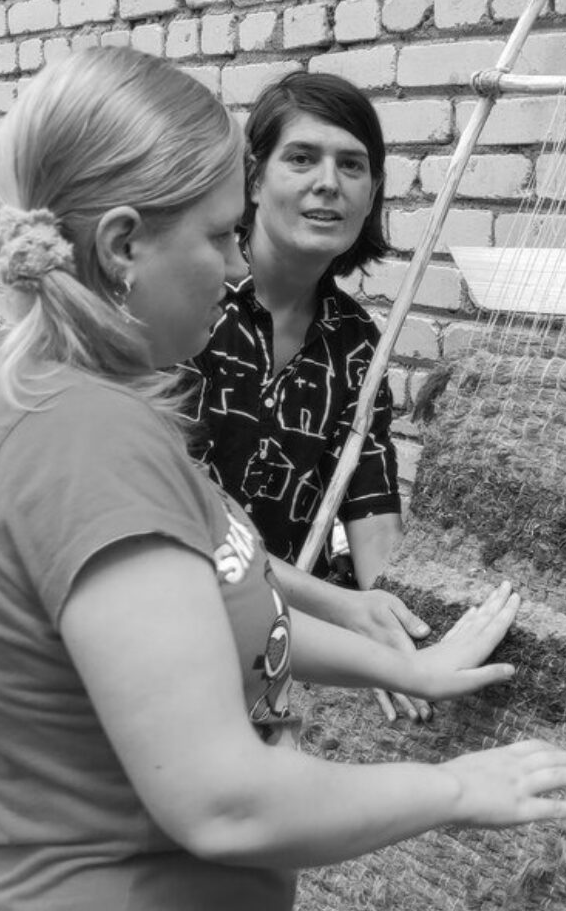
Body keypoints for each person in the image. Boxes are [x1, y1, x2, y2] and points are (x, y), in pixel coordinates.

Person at [0, 47, 566, 911]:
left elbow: (221, 596)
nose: (234, 266)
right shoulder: (89, 441)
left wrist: (399, 659)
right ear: (121, 245)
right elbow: (227, 804)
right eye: (220, 234)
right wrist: (458, 786)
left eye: (353, 166)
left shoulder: (49, 393)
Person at [182, 71, 426, 721]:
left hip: (275, 643)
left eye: (353, 165)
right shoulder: (189, 304)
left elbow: (371, 507)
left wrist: (397, 626)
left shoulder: (355, 343)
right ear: (254, 180)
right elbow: (192, 517)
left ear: (373, 193)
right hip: (171, 617)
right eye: (302, 158)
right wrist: (350, 611)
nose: (329, 182)